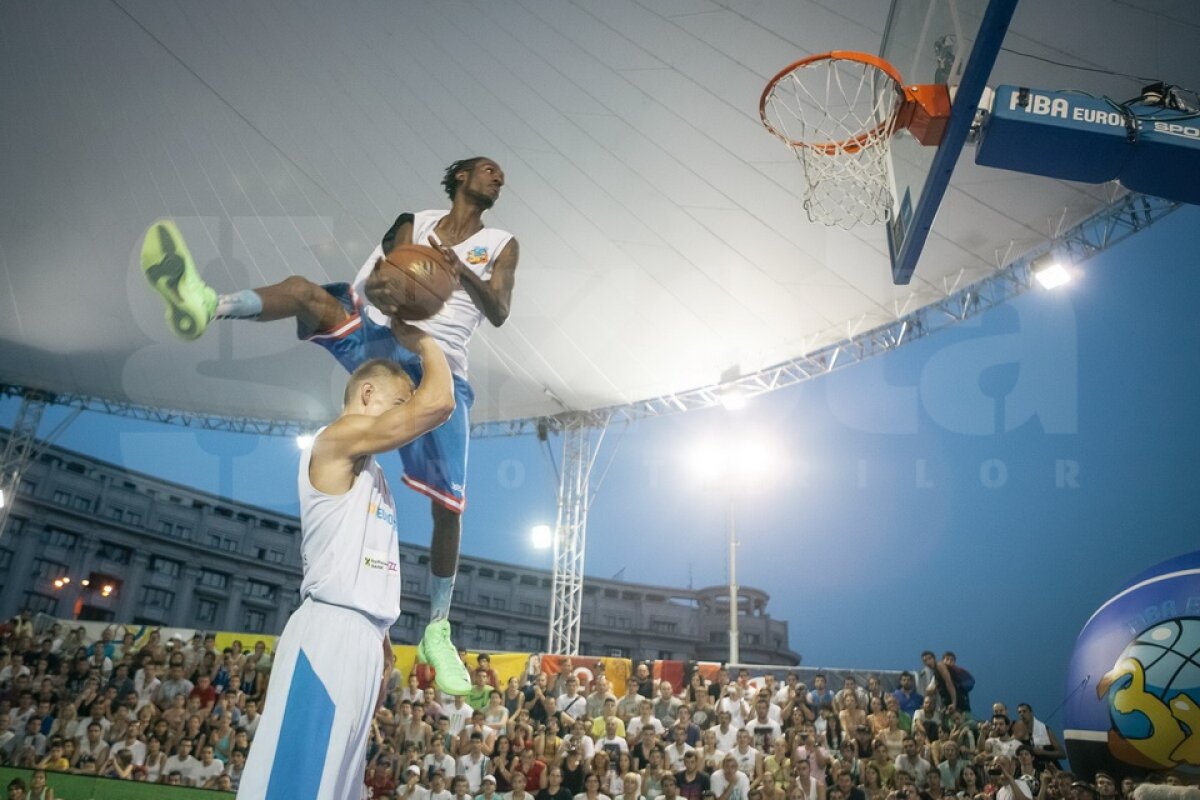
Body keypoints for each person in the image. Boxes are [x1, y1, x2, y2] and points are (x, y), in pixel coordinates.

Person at [141, 156, 518, 697]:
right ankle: (207, 304)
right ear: (461, 176)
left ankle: (438, 628)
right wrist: (387, 289)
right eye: (488, 169)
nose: (498, 177)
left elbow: (499, 310)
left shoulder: (501, 243)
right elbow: (382, 279)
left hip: (439, 360)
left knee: (449, 508)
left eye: (500, 174)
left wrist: (460, 273)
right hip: (383, 335)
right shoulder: (414, 222)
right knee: (302, 291)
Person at [236, 348, 455, 799]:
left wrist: (382, 643)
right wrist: (428, 341)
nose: (406, 413)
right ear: (367, 394)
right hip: (328, 635)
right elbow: (438, 403)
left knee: (334, 789)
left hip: (363, 641)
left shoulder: (374, 476)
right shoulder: (335, 440)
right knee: (296, 786)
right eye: (401, 403)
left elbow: (360, 558)